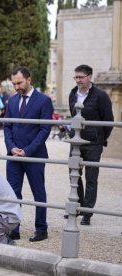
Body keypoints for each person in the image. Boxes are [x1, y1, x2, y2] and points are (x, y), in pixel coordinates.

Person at [4, 66, 53, 242]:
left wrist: (28, 150)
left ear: (29, 80)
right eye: (14, 83)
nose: (16, 87)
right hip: (14, 156)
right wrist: (11, 148)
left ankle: (41, 228)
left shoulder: (44, 100)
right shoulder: (12, 100)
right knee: (13, 193)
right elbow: (7, 126)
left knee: (38, 193)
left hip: (34, 155)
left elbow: (45, 129)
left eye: (19, 83)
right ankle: (14, 228)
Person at [64, 64, 114, 226]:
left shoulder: (101, 96)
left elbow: (108, 121)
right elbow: (73, 117)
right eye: (76, 77)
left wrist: (99, 138)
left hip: (94, 142)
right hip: (76, 141)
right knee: (74, 175)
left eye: (81, 77)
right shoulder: (73, 94)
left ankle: (88, 212)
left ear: (89, 77)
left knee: (91, 178)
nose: (78, 80)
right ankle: (77, 207)